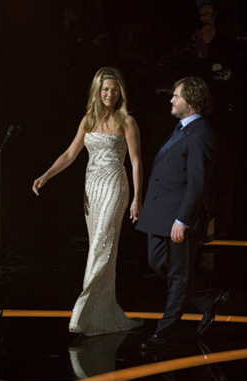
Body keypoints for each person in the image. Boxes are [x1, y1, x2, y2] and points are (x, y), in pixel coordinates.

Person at [32, 66, 143, 337]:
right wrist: (46, 175)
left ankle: (81, 311)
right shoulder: (87, 120)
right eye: (105, 89)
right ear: (97, 91)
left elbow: (137, 161)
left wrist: (138, 197)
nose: (110, 94)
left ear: (121, 93)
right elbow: (70, 154)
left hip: (115, 187)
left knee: (102, 245)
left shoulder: (127, 121)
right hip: (91, 189)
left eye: (115, 90)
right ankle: (101, 315)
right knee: (99, 246)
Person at [136, 76, 228, 350]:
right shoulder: (184, 128)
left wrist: (183, 220)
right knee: (157, 262)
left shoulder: (202, 133)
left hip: (179, 216)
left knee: (179, 276)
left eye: (176, 95)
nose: (171, 99)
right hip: (161, 213)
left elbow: (197, 182)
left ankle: (166, 331)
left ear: (192, 101)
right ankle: (208, 297)